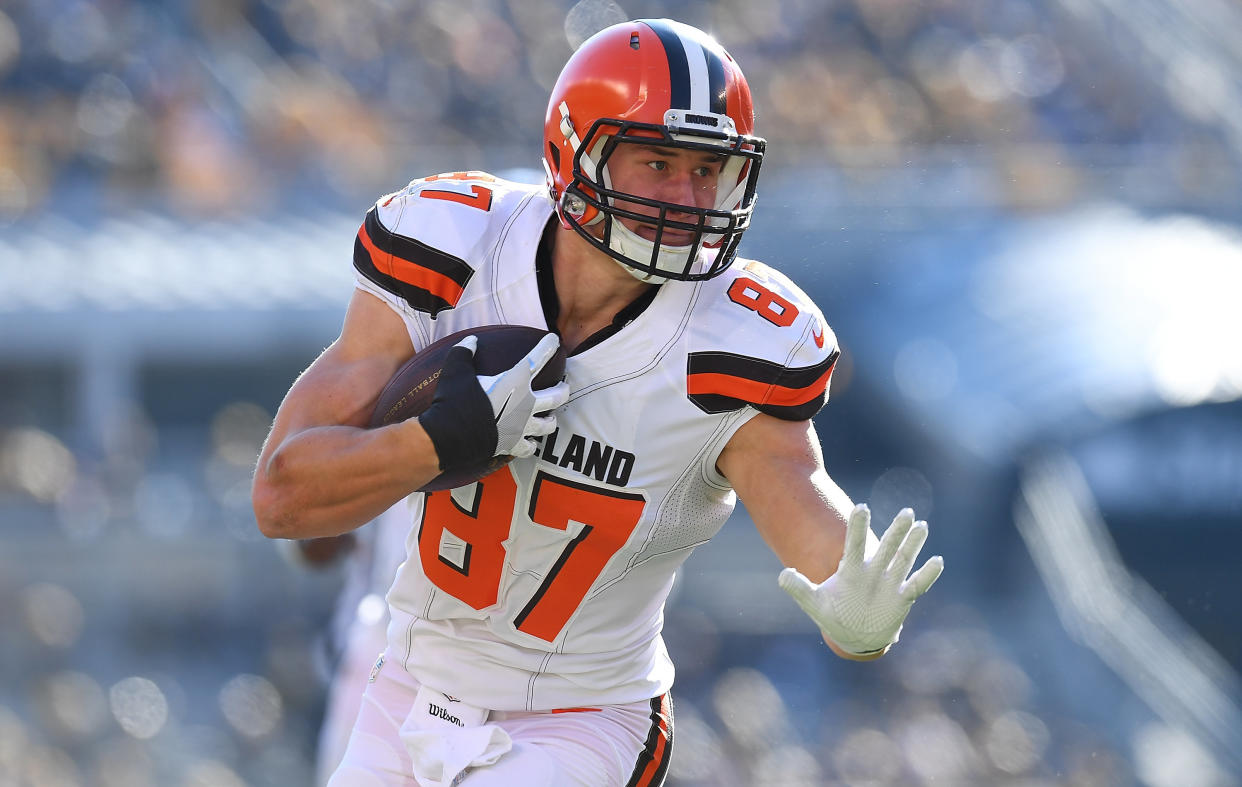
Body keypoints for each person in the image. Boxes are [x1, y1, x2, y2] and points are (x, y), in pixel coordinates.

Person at [252, 18, 943, 787]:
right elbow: (283, 497)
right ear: (572, 150)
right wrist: (442, 438)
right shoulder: (454, 250)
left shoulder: (738, 342)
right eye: (657, 162)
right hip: (411, 684)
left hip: (581, 717)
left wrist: (863, 613)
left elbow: (814, 524)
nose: (687, 196)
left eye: (708, 170)